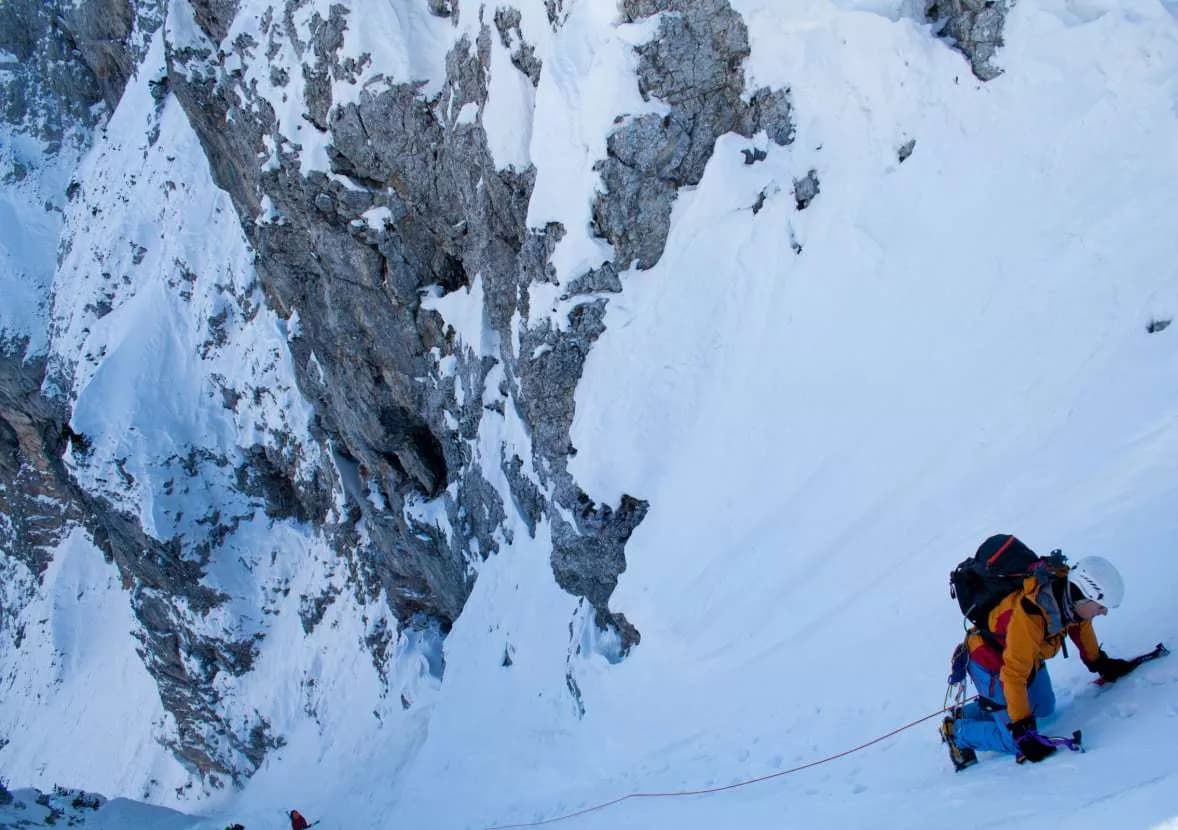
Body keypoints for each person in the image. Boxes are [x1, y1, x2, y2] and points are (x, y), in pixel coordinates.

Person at [941, 555, 1134, 767]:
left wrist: (1099, 662)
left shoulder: (1068, 596)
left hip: (1026, 656)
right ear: (1085, 598)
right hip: (989, 662)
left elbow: (1081, 626)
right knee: (1015, 742)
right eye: (1100, 606)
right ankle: (957, 732)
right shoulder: (1030, 615)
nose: (1104, 612)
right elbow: (1013, 675)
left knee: (1044, 708)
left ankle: (973, 711)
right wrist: (1021, 728)